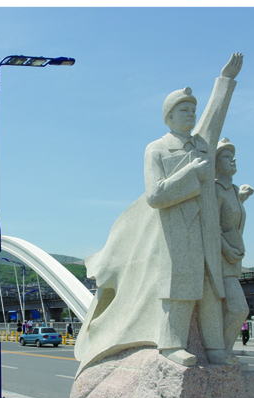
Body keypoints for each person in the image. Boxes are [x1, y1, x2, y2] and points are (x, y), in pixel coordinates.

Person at [74, 53, 244, 375]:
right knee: (179, 290)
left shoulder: (202, 146)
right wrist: (191, 175)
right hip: (177, 231)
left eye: (193, 110)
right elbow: (155, 195)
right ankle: (171, 344)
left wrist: (225, 81)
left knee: (210, 291)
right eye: (184, 110)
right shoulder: (157, 149)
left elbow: (214, 117)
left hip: (206, 231)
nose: (191, 115)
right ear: (169, 116)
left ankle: (215, 349)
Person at [215, 137, 254, 355]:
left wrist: (241, 198)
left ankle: (221, 351)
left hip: (234, 258)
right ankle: (218, 351)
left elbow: (231, 218)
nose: (233, 160)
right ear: (215, 163)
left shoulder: (233, 190)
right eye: (226, 156)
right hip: (221, 258)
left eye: (233, 156)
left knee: (229, 309)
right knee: (239, 308)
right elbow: (212, 226)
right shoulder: (215, 189)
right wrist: (225, 249)